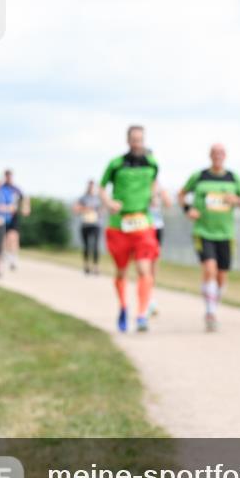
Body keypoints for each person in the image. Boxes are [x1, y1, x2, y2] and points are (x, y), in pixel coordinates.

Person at [179, 143, 240, 332]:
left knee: (221, 276)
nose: (218, 156)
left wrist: (236, 200)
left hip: (226, 234)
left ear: (225, 156)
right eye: (214, 153)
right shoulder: (199, 176)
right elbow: (181, 194)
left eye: (221, 153)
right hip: (203, 232)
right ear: (210, 155)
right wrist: (188, 209)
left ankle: (213, 306)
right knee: (209, 269)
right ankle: (210, 313)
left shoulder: (233, 178)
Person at [100, 126, 161, 332]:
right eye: (134, 140)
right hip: (119, 225)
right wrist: (108, 203)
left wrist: (153, 196)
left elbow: (154, 182)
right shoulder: (116, 164)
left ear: (144, 140)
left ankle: (142, 314)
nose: (137, 143)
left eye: (140, 140)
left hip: (143, 223)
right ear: (128, 141)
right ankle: (124, 307)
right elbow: (102, 188)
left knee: (144, 268)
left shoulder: (152, 163)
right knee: (121, 271)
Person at [147, 185, 172, 315]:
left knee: (153, 265)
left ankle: (151, 299)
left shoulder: (158, 187)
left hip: (157, 228)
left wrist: (160, 192)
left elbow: (169, 204)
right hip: (144, 227)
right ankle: (147, 300)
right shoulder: (140, 185)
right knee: (144, 265)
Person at [73, 180, 103, 275]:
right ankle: (86, 266)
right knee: (86, 246)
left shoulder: (98, 198)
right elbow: (75, 209)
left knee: (96, 246)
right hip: (85, 224)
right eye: (90, 186)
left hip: (96, 224)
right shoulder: (82, 198)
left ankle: (96, 267)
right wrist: (86, 209)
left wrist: (99, 211)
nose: (91, 188)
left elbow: (102, 210)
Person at [0, 169, 27, 270]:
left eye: (10, 176)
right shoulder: (1, 188)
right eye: (6, 176)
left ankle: (13, 259)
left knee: (13, 237)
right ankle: (5, 255)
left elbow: (24, 199)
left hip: (13, 217)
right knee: (5, 240)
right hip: (2, 217)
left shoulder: (16, 189)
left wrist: (25, 208)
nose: (8, 178)